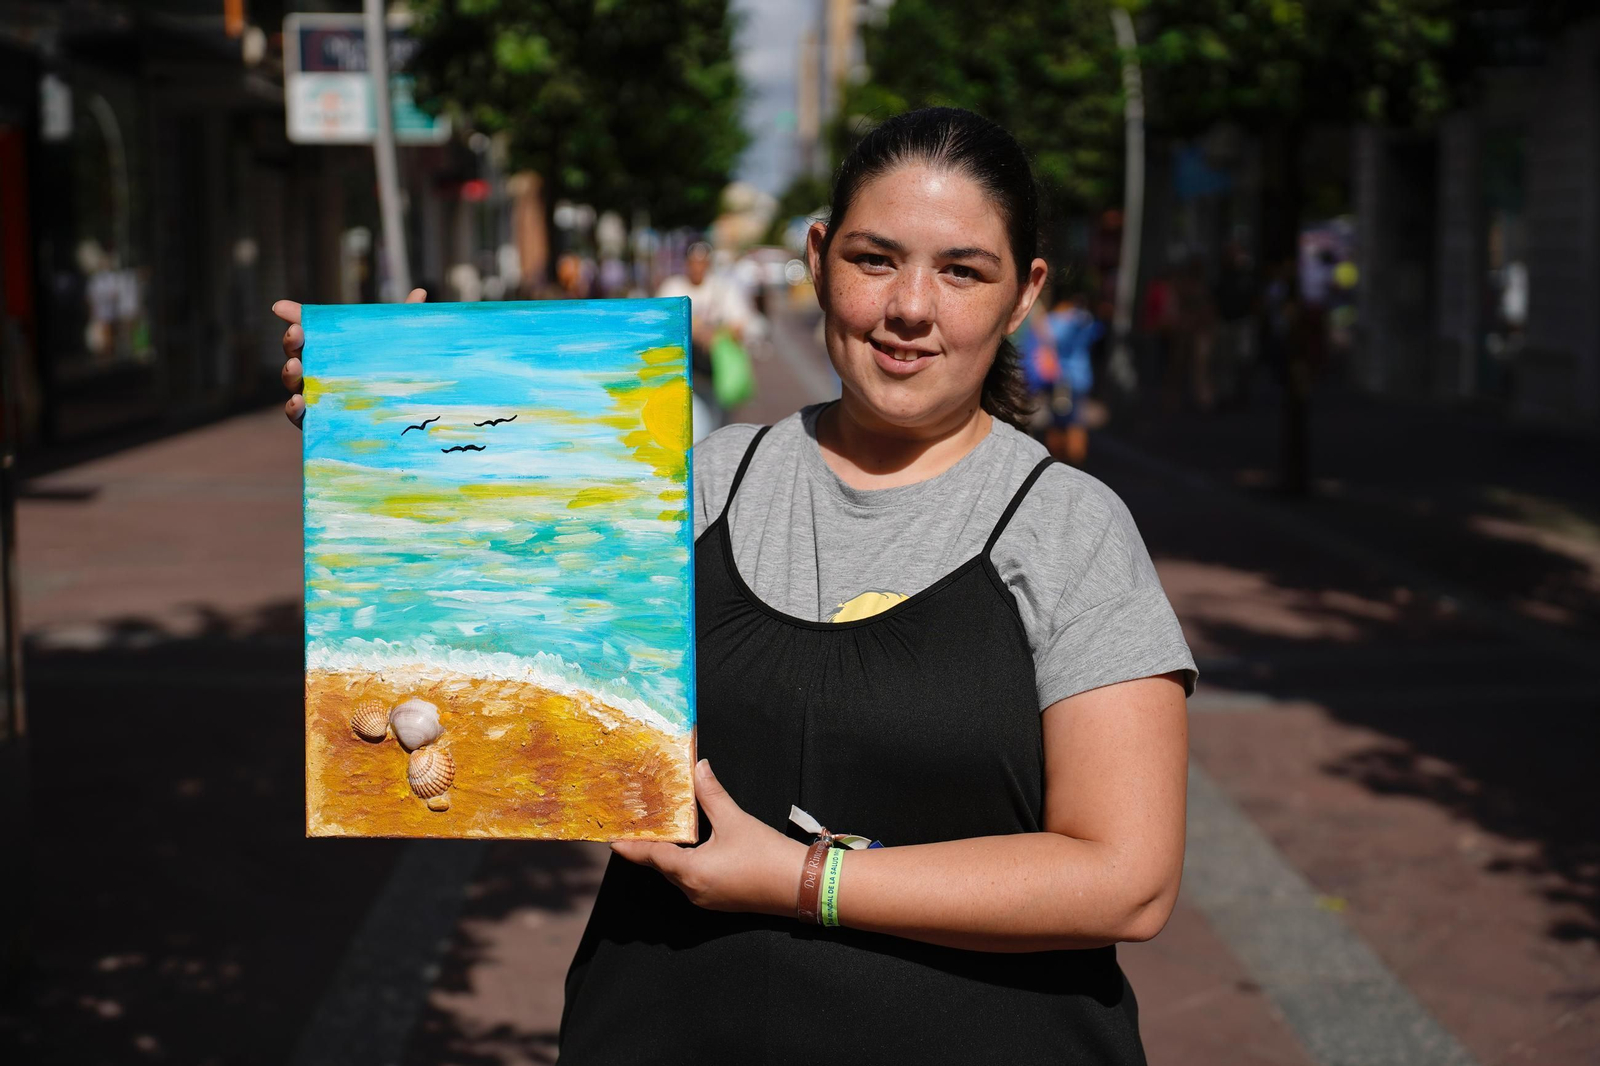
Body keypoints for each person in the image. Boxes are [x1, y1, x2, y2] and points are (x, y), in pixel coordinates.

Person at [273, 107, 1194, 1065]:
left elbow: (1125, 879)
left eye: (962, 271)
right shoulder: (697, 483)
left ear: (1023, 294)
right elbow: (507, 659)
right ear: (817, 257)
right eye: (876, 259)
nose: (911, 307)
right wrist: (400, 445)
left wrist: (801, 879)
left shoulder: (1070, 529)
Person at [656, 241, 757, 442]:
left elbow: (740, 324)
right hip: (682, 374)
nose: (697, 267)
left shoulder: (723, 288)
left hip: (715, 373)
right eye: (693, 262)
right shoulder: (672, 286)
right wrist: (697, 330)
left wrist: (715, 334)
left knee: (716, 427)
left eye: (702, 262)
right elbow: (660, 324)